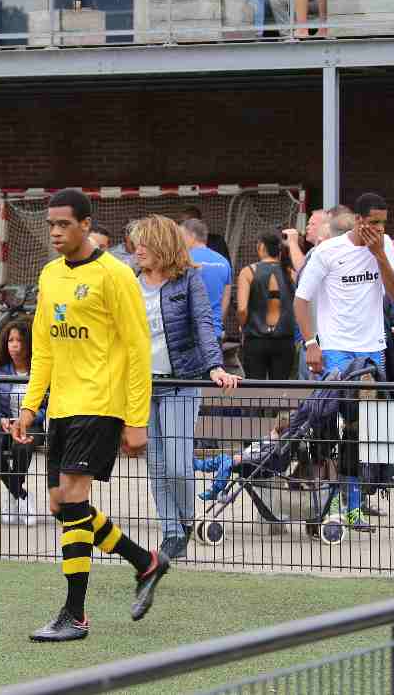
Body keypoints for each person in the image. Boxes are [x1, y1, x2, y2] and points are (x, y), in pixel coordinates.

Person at [11, 189, 169, 642]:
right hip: (61, 407)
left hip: (100, 404)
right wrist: (29, 406)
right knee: (61, 505)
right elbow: (43, 349)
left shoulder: (115, 275)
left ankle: (74, 615)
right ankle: (146, 561)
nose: (55, 232)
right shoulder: (49, 274)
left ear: (85, 225)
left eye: (64, 224)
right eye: (51, 225)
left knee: (74, 500)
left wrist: (136, 419)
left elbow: (138, 352)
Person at [293, 193, 394, 529]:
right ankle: (332, 500)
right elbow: (301, 300)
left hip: (372, 350)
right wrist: (311, 344)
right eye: (373, 222)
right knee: (333, 426)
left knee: (363, 431)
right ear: (358, 220)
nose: (378, 228)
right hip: (336, 350)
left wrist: (379, 255)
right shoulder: (328, 251)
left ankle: (354, 504)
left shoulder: (385, 247)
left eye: (383, 223)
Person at [134, 214, 240, 560]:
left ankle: (185, 519)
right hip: (143, 386)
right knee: (156, 465)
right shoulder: (132, 282)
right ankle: (171, 532)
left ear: (163, 245)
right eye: (137, 243)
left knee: (178, 465)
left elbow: (204, 324)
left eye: (145, 243)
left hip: (180, 383)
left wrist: (214, 366)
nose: (138, 249)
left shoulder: (189, 279)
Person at [0, 315, 42, 527]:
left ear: (29, 343)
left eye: (19, 340)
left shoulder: (40, 371)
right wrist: (0, 420)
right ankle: (20, 495)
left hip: (31, 425)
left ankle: (13, 495)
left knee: (22, 446)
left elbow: (46, 407)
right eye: (10, 340)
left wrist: (27, 419)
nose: (14, 345)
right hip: (4, 425)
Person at [237, 230, 298, 380]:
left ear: (262, 247)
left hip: (256, 338)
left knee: (255, 386)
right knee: (280, 387)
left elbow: (242, 309)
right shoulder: (292, 272)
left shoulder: (248, 272)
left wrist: (243, 326)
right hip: (284, 339)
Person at [195, 413, 291, 499]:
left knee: (226, 462)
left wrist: (242, 458)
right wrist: (241, 455)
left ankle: (215, 489)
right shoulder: (269, 438)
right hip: (247, 460)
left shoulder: (276, 443)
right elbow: (252, 449)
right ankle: (198, 465)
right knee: (223, 458)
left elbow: (263, 457)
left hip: (253, 466)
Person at [181, 218, 232, 344]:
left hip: (188, 334)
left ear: (192, 236)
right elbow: (226, 298)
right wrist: (217, 323)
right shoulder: (223, 262)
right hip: (214, 332)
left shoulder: (183, 260)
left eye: (181, 236)